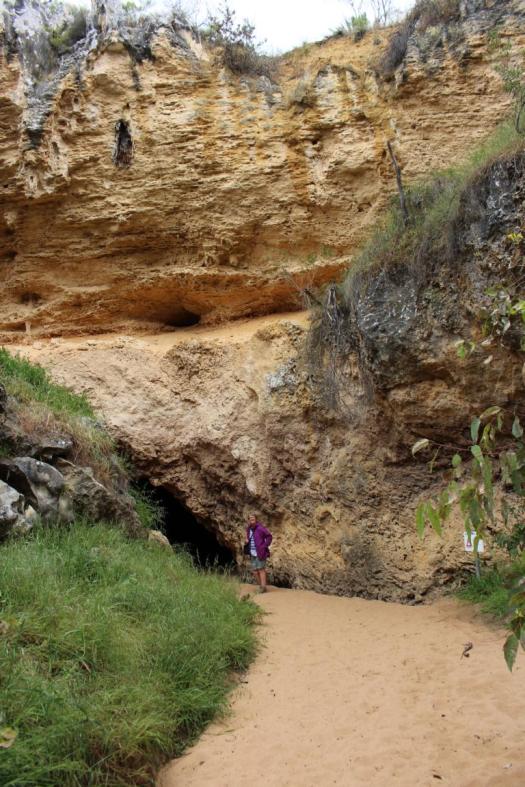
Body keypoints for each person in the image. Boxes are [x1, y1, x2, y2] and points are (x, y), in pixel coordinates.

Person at [245, 514, 272, 593]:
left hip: (260, 552)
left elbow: (269, 536)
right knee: (254, 571)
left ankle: (263, 588)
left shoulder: (260, 528)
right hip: (252, 552)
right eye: (250, 518)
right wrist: (247, 541)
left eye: (253, 518)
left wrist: (264, 546)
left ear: (256, 519)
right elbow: (249, 538)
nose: (251, 519)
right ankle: (261, 586)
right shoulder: (248, 529)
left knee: (261, 569)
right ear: (249, 520)